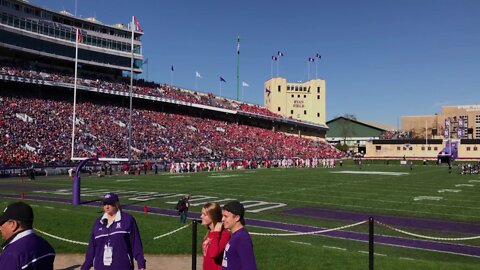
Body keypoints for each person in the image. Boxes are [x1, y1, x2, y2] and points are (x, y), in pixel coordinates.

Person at [81, 193, 146, 270]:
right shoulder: (98, 222)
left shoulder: (128, 220)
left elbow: (136, 244)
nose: (107, 207)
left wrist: (141, 264)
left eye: (110, 204)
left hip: (122, 266)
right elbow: (92, 248)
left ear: (116, 204)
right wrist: (85, 267)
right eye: (105, 204)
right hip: (101, 267)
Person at [0, 201, 55, 269]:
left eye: (1, 223)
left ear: (13, 224)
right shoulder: (47, 245)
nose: (0, 228)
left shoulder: (11, 255)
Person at [221, 201, 257, 270]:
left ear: (237, 218)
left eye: (226, 216)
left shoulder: (242, 238)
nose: (222, 219)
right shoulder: (236, 235)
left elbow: (250, 267)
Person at [201, 202, 231, 270]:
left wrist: (216, 232)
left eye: (204, 214)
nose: (201, 216)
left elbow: (213, 254)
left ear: (213, 216)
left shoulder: (224, 234)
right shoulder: (210, 232)